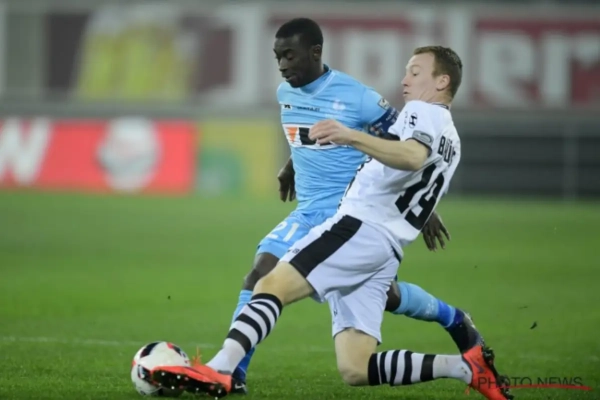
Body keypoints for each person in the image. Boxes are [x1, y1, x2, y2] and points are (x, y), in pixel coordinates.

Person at [150, 45, 512, 400]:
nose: (405, 80)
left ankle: (221, 368)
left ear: (442, 81)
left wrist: (349, 134)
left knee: (270, 284)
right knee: (356, 367)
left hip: (360, 228)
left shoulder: (422, 110)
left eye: (415, 72)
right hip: (386, 249)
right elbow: (407, 162)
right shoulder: (453, 141)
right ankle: (465, 368)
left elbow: (413, 156)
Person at [223, 18, 482, 395]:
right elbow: (308, 134)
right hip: (309, 211)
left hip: (348, 213)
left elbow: (405, 146)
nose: (282, 65)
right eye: (278, 57)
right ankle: (234, 373)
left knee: (383, 296)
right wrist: (291, 165)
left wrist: (424, 207)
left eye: (289, 55)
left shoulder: (359, 98)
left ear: (315, 52)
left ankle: (452, 317)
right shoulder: (285, 93)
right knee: (262, 274)